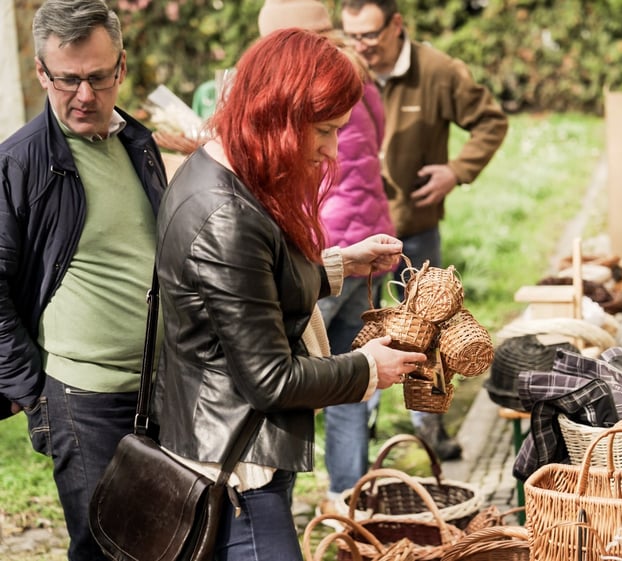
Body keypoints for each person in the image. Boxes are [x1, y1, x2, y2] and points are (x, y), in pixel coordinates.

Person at [152, 28, 427, 561]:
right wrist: (368, 368)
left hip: (232, 451)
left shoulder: (217, 167)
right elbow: (271, 381)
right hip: (235, 474)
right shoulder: (226, 216)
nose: (330, 152)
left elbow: (245, 286)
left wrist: (339, 264)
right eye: (322, 131)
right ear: (275, 114)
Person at [0, 1, 168, 559]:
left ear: (121, 67)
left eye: (98, 77)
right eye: (67, 79)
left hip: (162, 389)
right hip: (83, 402)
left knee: (170, 542)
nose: (85, 96)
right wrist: (34, 394)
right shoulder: (20, 164)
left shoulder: (138, 144)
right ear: (41, 72)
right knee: (107, 548)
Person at [340, 0, 509, 460]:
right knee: (366, 330)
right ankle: (364, 425)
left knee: (430, 331)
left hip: (412, 229)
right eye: (351, 35)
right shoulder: (344, 69)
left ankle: (430, 427)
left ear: (397, 25)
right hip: (354, 237)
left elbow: (491, 121)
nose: (360, 47)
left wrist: (456, 171)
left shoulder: (437, 71)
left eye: (369, 36)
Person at [257, 0, 397, 515]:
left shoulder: (301, 94)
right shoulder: (359, 79)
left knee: (332, 373)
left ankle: (302, 494)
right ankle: (349, 498)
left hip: (324, 244)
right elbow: (375, 143)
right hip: (359, 238)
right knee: (353, 371)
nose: (331, 149)